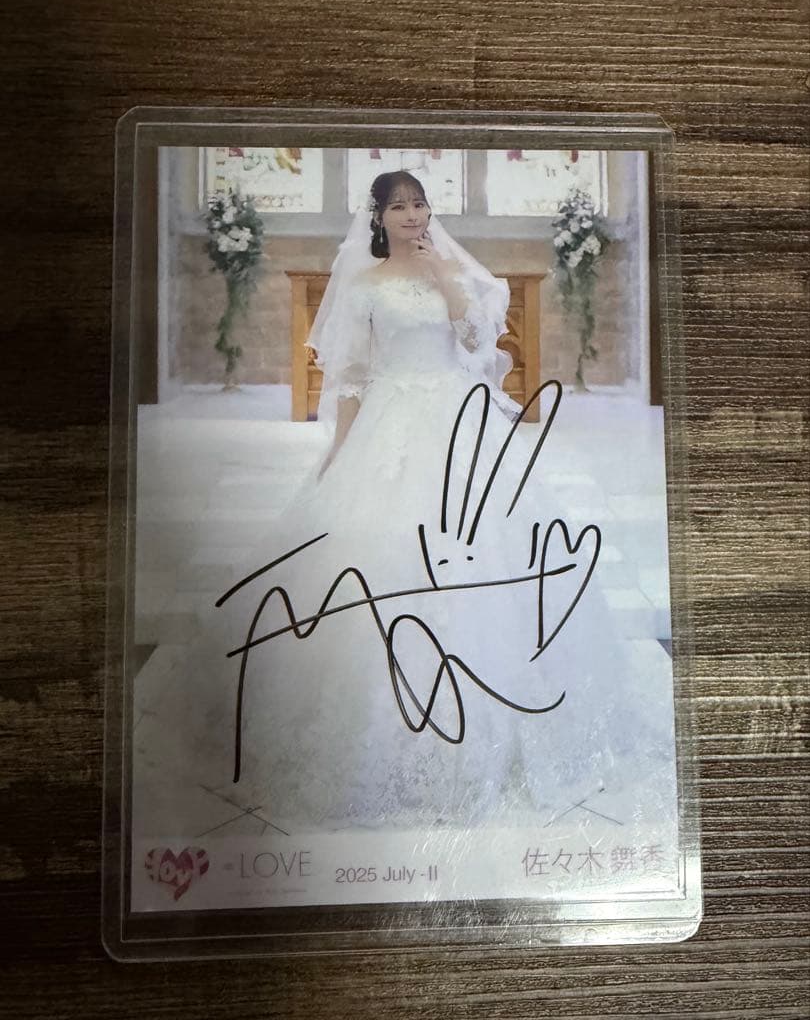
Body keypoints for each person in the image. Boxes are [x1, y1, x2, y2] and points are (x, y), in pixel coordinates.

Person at [135, 171, 676, 841]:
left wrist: (445, 275)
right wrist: (339, 451)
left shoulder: (451, 270)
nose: (414, 215)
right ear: (379, 217)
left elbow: (476, 342)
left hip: (457, 420)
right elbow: (353, 378)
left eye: (420, 204)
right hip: (390, 423)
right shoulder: (364, 284)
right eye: (400, 207)